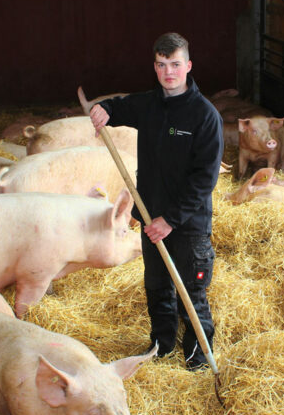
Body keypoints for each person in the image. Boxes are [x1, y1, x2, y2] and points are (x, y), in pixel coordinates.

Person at [85, 32, 224, 370]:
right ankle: (162, 345)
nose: (169, 72)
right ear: (155, 67)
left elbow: (204, 180)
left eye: (175, 64)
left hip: (187, 224)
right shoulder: (148, 105)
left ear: (188, 66)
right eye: (162, 65)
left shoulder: (205, 117)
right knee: (158, 287)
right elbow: (119, 105)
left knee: (191, 291)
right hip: (150, 216)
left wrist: (170, 219)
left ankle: (198, 355)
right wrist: (103, 110)